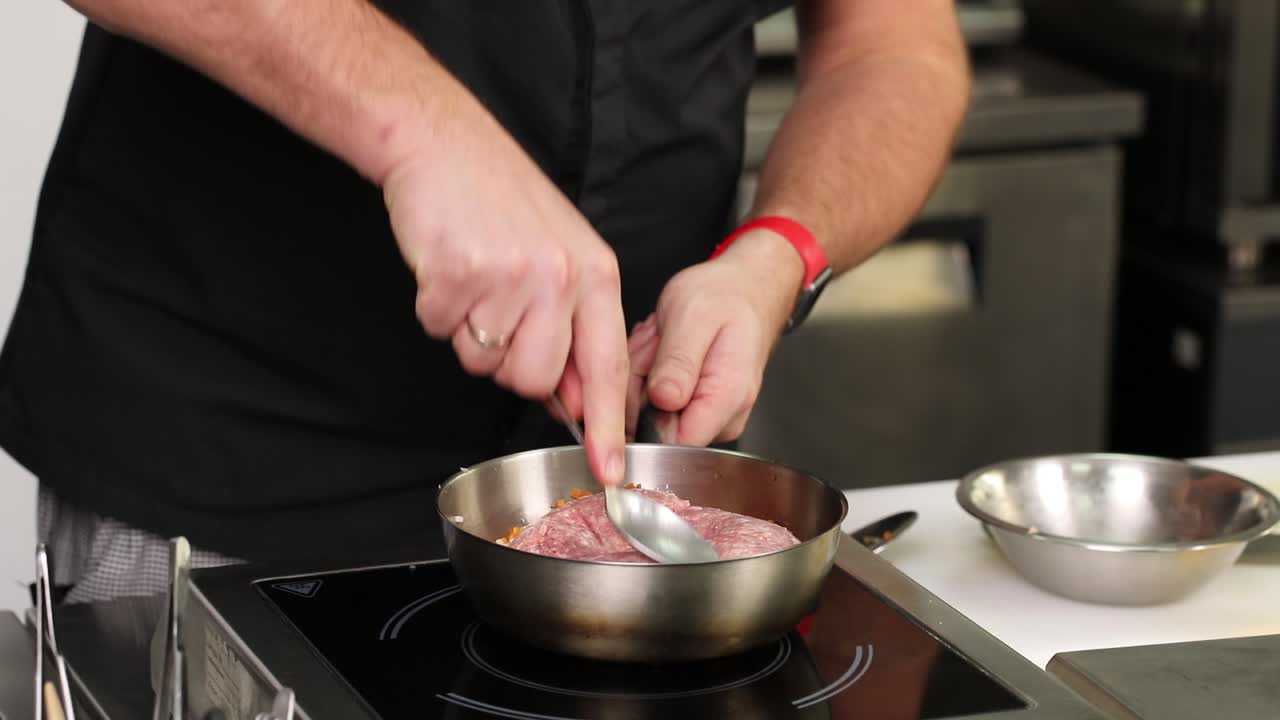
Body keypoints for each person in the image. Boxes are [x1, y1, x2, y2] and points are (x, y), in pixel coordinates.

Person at [3, 0, 969, 602]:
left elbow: (895, 44)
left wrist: (779, 252)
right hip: (227, 460)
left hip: (618, 508)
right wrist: (421, 132)